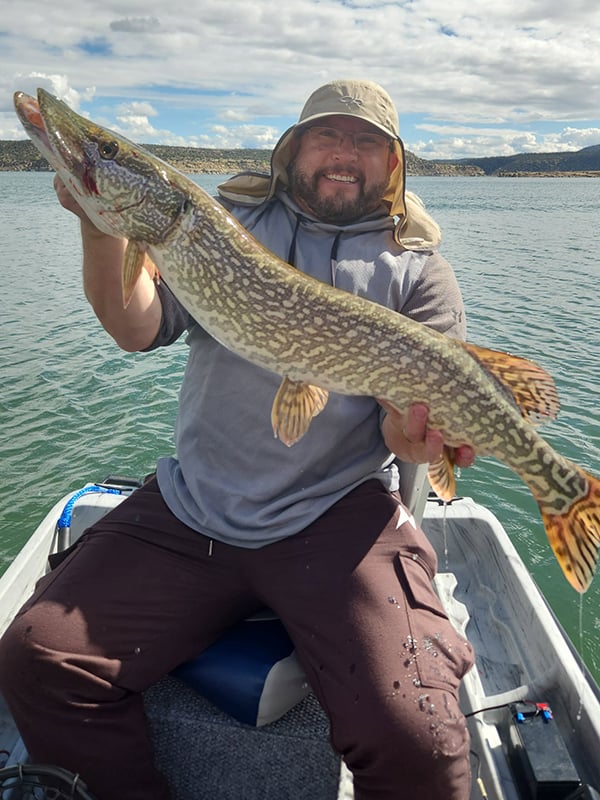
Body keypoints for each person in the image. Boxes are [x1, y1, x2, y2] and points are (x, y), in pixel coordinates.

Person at [0, 79, 476, 799]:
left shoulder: (420, 271)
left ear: (392, 163)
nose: (344, 153)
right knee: (37, 659)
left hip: (336, 516)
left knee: (422, 741)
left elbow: (405, 436)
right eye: (327, 135)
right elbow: (135, 329)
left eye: (366, 142)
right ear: (293, 150)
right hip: (195, 505)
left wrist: (418, 441)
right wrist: (102, 228)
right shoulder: (227, 221)